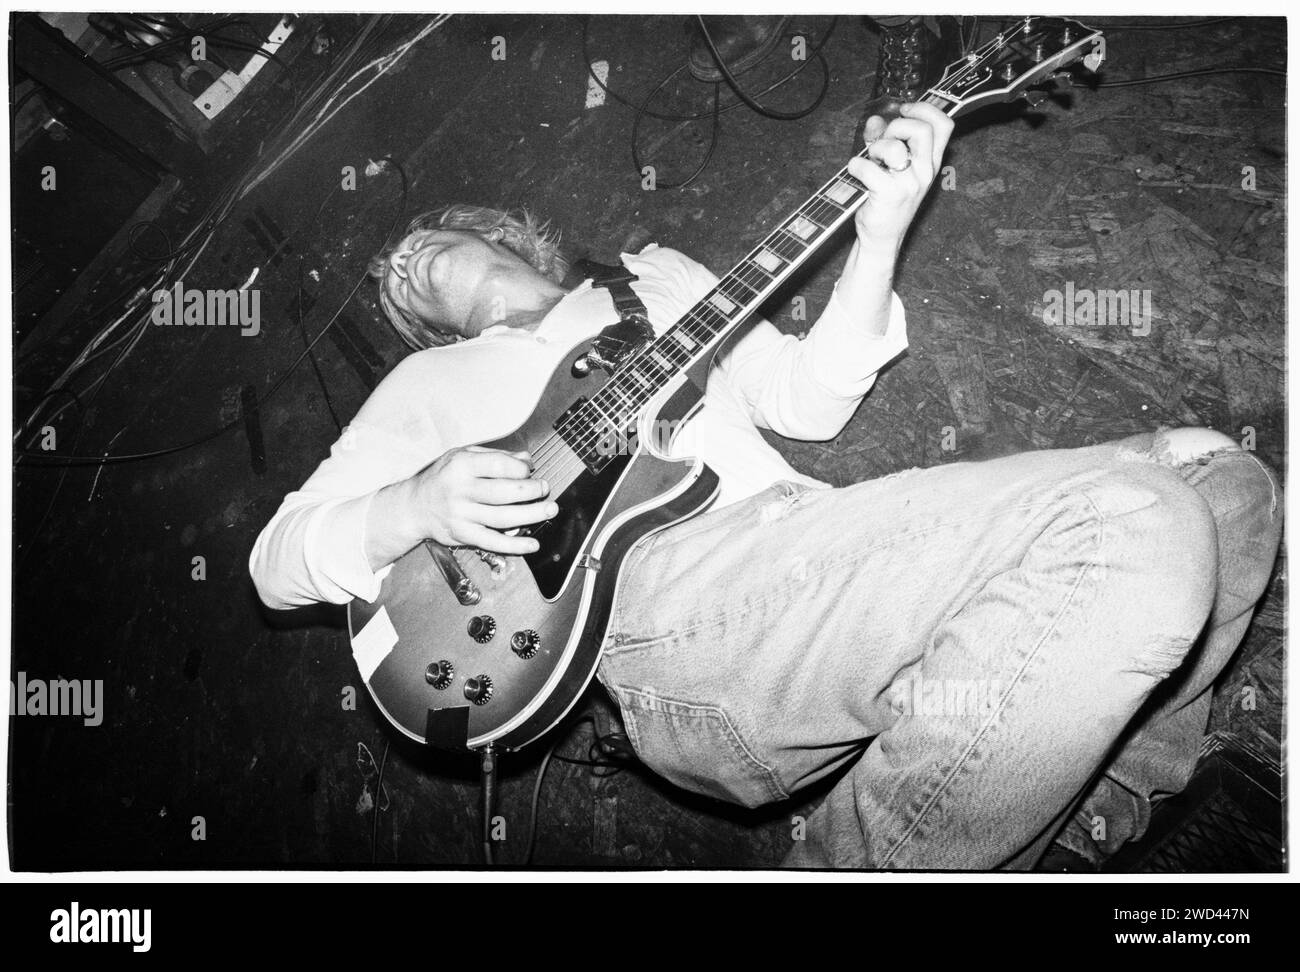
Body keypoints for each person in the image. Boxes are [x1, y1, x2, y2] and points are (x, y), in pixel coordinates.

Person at [249, 103, 1282, 869]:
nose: (404, 259)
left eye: (422, 239)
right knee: (1135, 523)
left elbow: (806, 402)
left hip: (812, 554)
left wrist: (879, 234)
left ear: (494, 231)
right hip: (669, 608)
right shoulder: (424, 386)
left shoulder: (653, 281)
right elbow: (275, 562)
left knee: (1222, 480)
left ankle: (1078, 824)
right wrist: (414, 504)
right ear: (421, 330)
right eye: (396, 280)